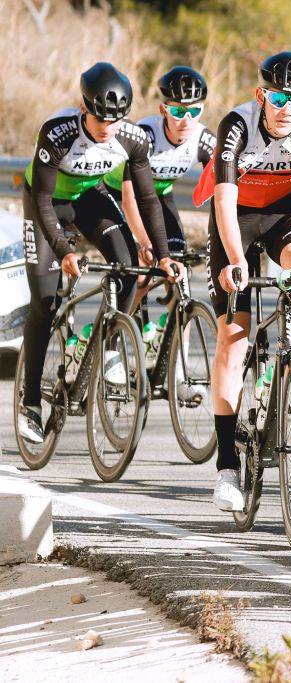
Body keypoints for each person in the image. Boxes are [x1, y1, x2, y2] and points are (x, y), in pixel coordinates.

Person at [205, 51, 291, 512]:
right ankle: (227, 467)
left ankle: (290, 370)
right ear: (261, 95)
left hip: (284, 214)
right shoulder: (237, 125)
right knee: (234, 339)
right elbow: (223, 202)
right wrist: (235, 260)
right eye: (278, 98)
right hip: (236, 220)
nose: (287, 108)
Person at [18, 62, 178, 443]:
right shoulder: (57, 133)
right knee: (45, 303)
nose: (108, 128)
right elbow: (42, 200)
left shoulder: (133, 139)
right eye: (100, 119)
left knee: (129, 268)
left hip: (90, 196)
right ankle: (30, 402)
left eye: (116, 120)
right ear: (83, 108)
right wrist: (63, 250)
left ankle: (106, 346)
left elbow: (148, 199)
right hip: (46, 204)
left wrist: (163, 254)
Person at [104, 66, 216, 402]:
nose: (186, 119)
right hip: (119, 195)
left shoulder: (203, 139)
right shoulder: (145, 136)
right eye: (177, 111)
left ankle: (177, 372)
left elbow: (224, 190)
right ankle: (113, 339)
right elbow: (130, 198)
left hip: (160, 196)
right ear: (163, 109)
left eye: (194, 111)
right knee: (141, 272)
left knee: (179, 275)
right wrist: (143, 241)